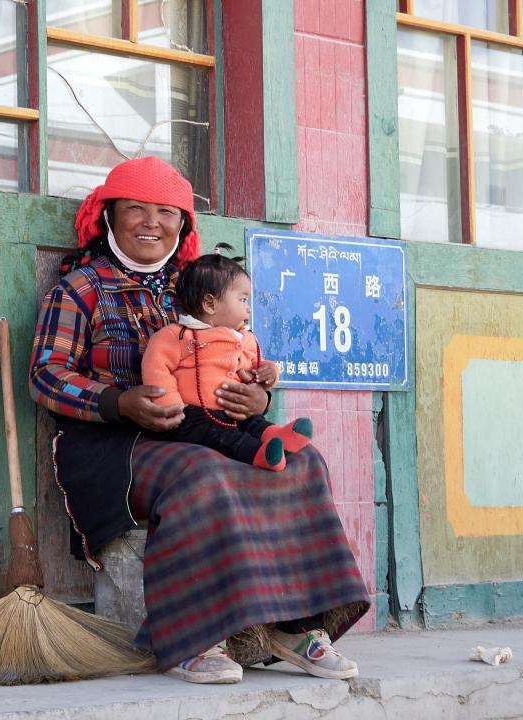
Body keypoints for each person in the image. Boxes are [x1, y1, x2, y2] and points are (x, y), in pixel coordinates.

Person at [29, 156, 369, 685]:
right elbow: (46, 376)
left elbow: (237, 363)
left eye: (166, 212)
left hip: (208, 429)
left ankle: (296, 628)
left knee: (303, 463)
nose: (150, 222)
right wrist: (119, 402)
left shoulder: (196, 287)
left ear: (182, 225)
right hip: (112, 445)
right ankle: (193, 639)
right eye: (134, 209)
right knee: (202, 474)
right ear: (108, 217)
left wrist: (255, 402)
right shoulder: (79, 289)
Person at [141, 252, 314, 472]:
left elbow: (255, 364)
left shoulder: (243, 337)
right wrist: (171, 405)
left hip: (234, 412)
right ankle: (257, 454)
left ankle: (276, 436)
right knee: (220, 436)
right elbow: (157, 365)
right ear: (209, 304)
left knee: (252, 422)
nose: (248, 308)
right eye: (242, 300)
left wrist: (269, 372)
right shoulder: (178, 335)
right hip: (193, 417)